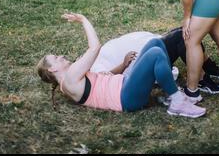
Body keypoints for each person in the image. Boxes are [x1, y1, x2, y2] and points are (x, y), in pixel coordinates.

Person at [37, 12, 206, 118]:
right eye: (56, 58)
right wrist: (83, 20)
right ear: (52, 69)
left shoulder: (71, 80)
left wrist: (123, 65)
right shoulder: (69, 79)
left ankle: (170, 91)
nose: (61, 56)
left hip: (124, 83)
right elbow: (95, 47)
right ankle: (177, 102)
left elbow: (101, 80)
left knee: (155, 43)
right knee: (155, 54)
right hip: (126, 98)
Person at [91, 28, 219, 95]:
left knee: (188, 30)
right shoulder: (93, 69)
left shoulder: (93, 56)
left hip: (151, 45)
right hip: (148, 58)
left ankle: (211, 69)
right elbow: (105, 79)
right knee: (182, 36)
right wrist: (123, 64)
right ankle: (203, 80)